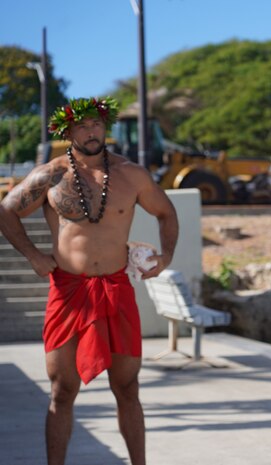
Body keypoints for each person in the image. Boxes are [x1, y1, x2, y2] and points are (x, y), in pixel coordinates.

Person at [0, 97, 179, 465]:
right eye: (82, 126)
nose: (92, 131)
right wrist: (34, 255)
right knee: (62, 390)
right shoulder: (50, 175)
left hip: (116, 289)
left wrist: (166, 256)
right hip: (68, 291)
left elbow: (166, 212)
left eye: (97, 124)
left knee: (127, 387)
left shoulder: (132, 175)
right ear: (67, 132)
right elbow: (6, 210)